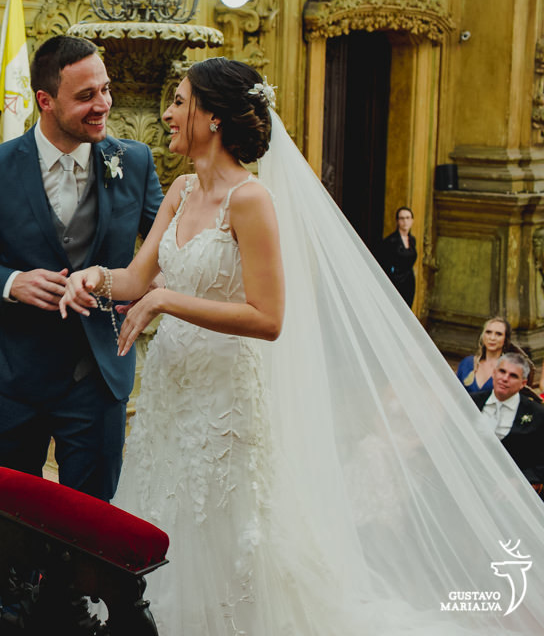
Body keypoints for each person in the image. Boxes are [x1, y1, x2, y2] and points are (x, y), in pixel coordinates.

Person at [61, 57, 544, 633]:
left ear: (212, 118)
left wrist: (168, 303)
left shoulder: (251, 201)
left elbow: (268, 318)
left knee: (220, 525)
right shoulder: (182, 191)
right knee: (160, 504)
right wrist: (94, 278)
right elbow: (138, 280)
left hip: (225, 401)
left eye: (180, 101)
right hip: (173, 389)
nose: (167, 113)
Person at [0, 34, 164, 501]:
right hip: (17, 376)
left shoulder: (134, 162)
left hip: (100, 377)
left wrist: (146, 291)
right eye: (86, 96)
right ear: (45, 100)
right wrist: (10, 282)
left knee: (93, 523)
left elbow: (166, 252)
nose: (103, 104)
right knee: (10, 518)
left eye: (105, 89)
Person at [471, 352, 544, 499]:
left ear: (523, 383)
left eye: (513, 376)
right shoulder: (471, 403)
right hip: (472, 482)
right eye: (502, 372)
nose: (505, 378)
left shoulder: (537, 414)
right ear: (494, 373)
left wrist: (521, 481)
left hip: (511, 493)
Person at [456, 315, 521, 394]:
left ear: (505, 339)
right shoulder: (466, 363)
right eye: (488, 332)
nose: (492, 338)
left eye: (498, 334)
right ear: (483, 336)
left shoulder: (509, 368)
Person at [378, 205, 417, 305]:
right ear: (397, 221)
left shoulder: (412, 240)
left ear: (412, 221)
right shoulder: (390, 241)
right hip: (396, 282)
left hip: (409, 281)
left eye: (408, 218)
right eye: (402, 218)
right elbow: (384, 264)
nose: (405, 221)